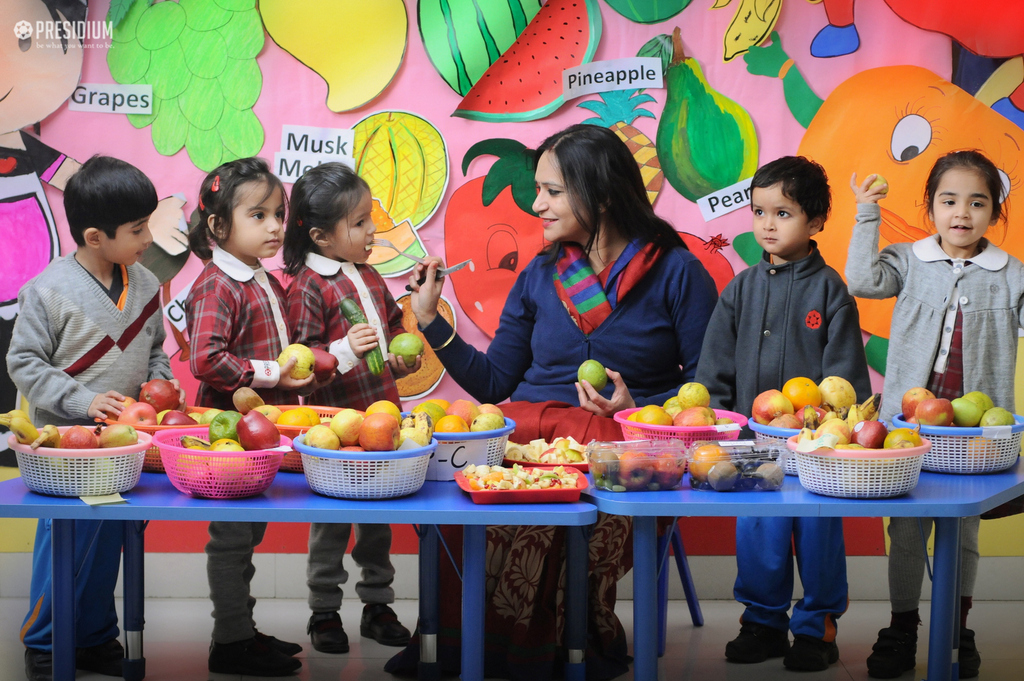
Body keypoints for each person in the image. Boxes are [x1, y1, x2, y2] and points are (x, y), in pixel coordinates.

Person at [395, 124, 718, 679]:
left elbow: (709, 392)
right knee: (463, 501)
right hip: (524, 435)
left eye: (552, 191)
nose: (536, 203)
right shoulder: (541, 274)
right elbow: (496, 383)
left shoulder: (677, 270)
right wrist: (429, 319)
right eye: (538, 190)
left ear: (603, 193)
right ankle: (456, 646)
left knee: (556, 519)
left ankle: (548, 651)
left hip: (621, 443)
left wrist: (634, 406)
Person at [847, 149, 1024, 679]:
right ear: (930, 208)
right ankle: (902, 626)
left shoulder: (1011, 274)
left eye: (977, 202)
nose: (961, 213)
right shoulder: (908, 260)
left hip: (978, 432)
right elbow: (861, 279)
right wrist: (867, 214)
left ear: (995, 211)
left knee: (965, 531)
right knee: (906, 528)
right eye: (948, 201)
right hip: (910, 427)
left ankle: (956, 624)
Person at [6, 156, 184, 681]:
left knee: (111, 534)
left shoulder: (147, 284)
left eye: (147, 224)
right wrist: (83, 402)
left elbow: (155, 351)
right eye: (137, 229)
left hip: (126, 442)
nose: (149, 237)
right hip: (65, 443)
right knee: (65, 538)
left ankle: (94, 635)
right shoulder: (48, 289)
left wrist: (160, 384)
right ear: (94, 235)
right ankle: (42, 640)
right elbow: (24, 362)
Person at [695, 156, 871, 672]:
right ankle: (763, 622)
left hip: (818, 449)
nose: (768, 224)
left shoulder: (830, 290)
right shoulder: (741, 289)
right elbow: (714, 371)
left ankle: (817, 627)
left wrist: (835, 434)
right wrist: (715, 424)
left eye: (784, 213)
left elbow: (845, 384)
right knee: (759, 530)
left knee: (818, 532)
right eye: (759, 212)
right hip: (752, 444)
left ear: (816, 222)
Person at [184, 157, 313, 676]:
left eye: (279, 214)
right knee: (233, 536)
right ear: (218, 226)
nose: (276, 227)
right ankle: (230, 641)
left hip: (259, 433)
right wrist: (273, 375)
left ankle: (242, 629)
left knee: (248, 534)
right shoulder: (219, 284)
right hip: (230, 435)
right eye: (258, 215)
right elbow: (205, 359)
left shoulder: (260, 277)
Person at [282, 162, 415, 654]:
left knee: (379, 522)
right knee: (332, 522)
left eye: (369, 218)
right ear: (320, 236)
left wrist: (402, 348)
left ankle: (378, 605)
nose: (371, 230)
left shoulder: (370, 274)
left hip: (383, 415)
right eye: (358, 223)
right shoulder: (307, 287)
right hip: (334, 428)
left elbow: (395, 322)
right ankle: (324, 612)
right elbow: (301, 364)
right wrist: (343, 352)